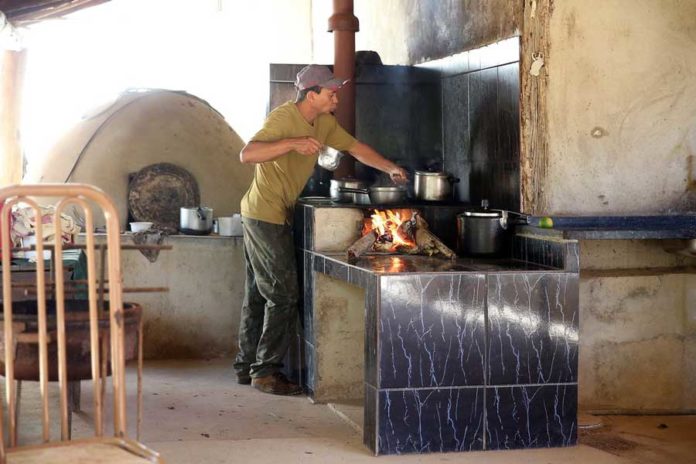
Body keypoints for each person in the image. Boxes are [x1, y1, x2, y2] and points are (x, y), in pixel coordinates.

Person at [234, 64, 407, 395]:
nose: (336, 97)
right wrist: (292, 143)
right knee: (283, 294)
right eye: (331, 92)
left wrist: (390, 167)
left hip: (271, 213)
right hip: (263, 214)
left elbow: (355, 147)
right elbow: (248, 154)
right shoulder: (285, 118)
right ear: (311, 94)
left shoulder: (325, 122)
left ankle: (247, 367)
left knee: (260, 292)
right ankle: (265, 372)